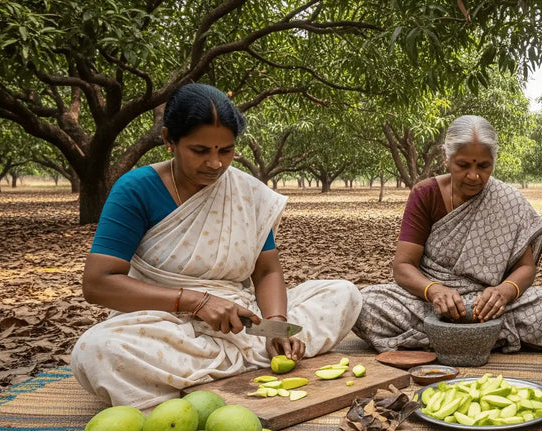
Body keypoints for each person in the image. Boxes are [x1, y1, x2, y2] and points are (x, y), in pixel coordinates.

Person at [71, 83, 361, 410]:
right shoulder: (136, 189)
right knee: (96, 351)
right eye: (200, 151)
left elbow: (266, 271)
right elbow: (98, 283)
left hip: (241, 319)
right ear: (169, 140)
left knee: (343, 294)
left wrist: (276, 325)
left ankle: (221, 369)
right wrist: (196, 302)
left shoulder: (246, 193)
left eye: (225, 151)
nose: (215, 164)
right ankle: (237, 366)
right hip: (163, 322)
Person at [353, 115, 542, 352]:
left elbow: (526, 268)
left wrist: (503, 292)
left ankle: (444, 336)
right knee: (364, 305)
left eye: (483, 166)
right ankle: (484, 337)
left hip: (489, 304)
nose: (474, 176)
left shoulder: (507, 200)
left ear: (494, 162)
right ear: (447, 159)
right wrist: (434, 291)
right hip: (430, 302)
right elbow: (403, 266)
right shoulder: (426, 194)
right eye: (463, 165)